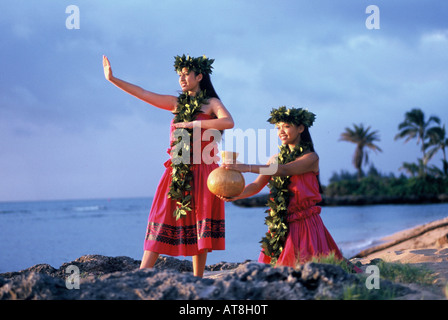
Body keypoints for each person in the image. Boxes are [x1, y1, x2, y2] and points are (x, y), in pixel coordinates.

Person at [103, 54, 234, 277]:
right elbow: (143, 93)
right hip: (177, 170)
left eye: (186, 74)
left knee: (200, 223)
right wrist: (112, 79)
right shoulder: (176, 104)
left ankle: (198, 278)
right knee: (161, 216)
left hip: (204, 170)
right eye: (179, 75)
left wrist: (193, 123)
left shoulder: (212, 104)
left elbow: (228, 122)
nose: (182, 78)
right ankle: (143, 273)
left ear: (199, 76)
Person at [219, 106, 345, 268]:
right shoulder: (275, 159)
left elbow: (285, 170)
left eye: (286, 126)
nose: (281, 131)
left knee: (305, 269)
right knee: (275, 270)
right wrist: (236, 195)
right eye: (278, 127)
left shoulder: (311, 157)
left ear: (300, 128)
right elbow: (257, 185)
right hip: (281, 223)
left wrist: (247, 167)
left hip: (305, 224)